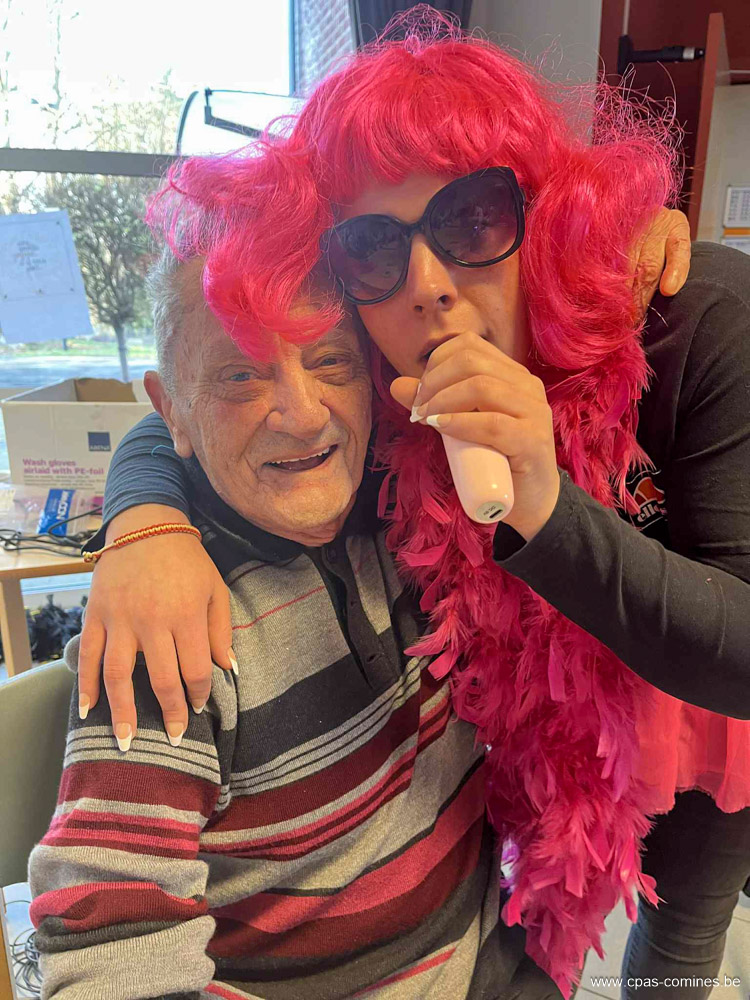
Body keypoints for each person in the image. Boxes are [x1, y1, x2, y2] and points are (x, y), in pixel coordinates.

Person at [56, 13, 750, 1000]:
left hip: (711, 702)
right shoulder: (382, 397)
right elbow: (214, 402)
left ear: (543, 206)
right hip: (544, 768)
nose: (428, 288)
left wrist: (545, 505)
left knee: (681, 946)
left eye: (474, 219)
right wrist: (144, 523)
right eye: (373, 247)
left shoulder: (684, 315)